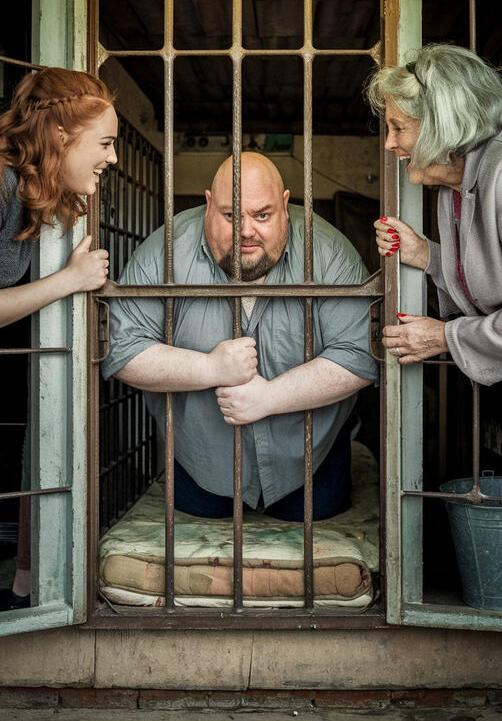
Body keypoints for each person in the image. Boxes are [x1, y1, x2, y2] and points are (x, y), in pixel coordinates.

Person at [101, 152, 377, 522]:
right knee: (193, 552)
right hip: (201, 461)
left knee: (310, 547)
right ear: (208, 203)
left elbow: (361, 354)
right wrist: (209, 368)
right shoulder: (166, 248)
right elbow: (120, 347)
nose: (246, 231)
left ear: (285, 204)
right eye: (231, 216)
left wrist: (270, 397)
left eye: (262, 215)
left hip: (310, 459)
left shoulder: (327, 249)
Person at [0, 66, 118, 611]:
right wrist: (68, 281)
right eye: (106, 143)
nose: (113, 157)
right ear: (62, 136)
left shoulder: (27, 188)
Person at [368, 42, 502, 386]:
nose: (389, 143)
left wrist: (446, 336)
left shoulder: (500, 175)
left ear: (442, 126)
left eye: (399, 128)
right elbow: (488, 278)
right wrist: (424, 253)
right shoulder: (451, 188)